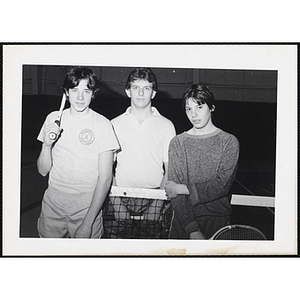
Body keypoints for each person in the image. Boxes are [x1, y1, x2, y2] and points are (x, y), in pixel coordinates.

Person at [36, 67, 119, 238]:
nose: (80, 97)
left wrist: (88, 223)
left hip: (87, 205)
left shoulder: (103, 124)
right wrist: (46, 145)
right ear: (66, 93)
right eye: (75, 90)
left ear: (93, 93)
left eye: (86, 91)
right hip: (53, 201)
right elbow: (43, 171)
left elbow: (105, 179)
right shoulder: (53, 119)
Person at [165, 83, 239, 239]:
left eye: (199, 107)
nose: (194, 115)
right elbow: (174, 192)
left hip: (217, 222)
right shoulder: (177, 142)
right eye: (188, 109)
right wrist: (192, 229)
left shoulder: (229, 142)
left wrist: (182, 189)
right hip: (183, 223)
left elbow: (221, 186)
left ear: (211, 107)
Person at [109, 67, 176, 238]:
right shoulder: (113, 124)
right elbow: (107, 168)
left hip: (154, 197)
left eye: (146, 88)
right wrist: (116, 203)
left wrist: (158, 204)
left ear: (153, 93)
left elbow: (170, 169)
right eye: (135, 87)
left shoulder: (166, 125)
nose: (140, 93)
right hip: (120, 196)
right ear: (127, 91)